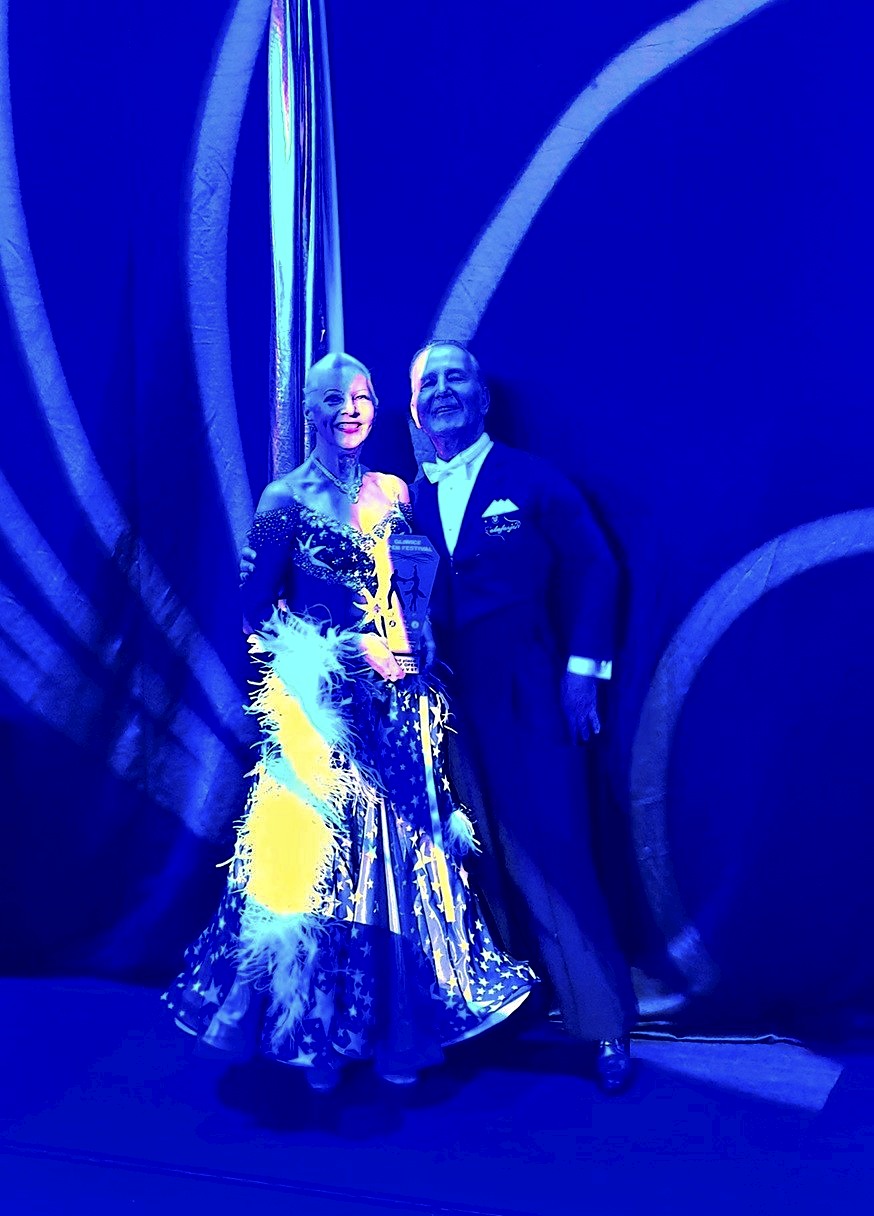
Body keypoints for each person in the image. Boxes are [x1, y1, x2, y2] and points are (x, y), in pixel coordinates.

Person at [165, 353, 535, 1091]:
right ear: (309, 409)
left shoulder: (395, 489)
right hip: (321, 712)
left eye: (362, 396)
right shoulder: (284, 497)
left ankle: (398, 1026)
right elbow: (254, 617)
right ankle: (318, 1037)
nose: (350, 409)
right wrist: (343, 649)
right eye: (334, 398)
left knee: (397, 864)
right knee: (319, 869)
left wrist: (417, 637)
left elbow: (414, 582)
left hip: (395, 706)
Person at [408, 340, 637, 1093]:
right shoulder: (406, 498)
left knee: (555, 849)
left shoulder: (533, 480)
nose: (443, 391)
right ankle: (496, 1015)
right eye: (429, 383)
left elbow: (597, 567)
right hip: (443, 705)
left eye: (456, 378)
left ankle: (605, 1025)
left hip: (528, 695)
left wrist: (583, 673)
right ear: (416, 409)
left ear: (483, 398)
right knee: (466, 858)